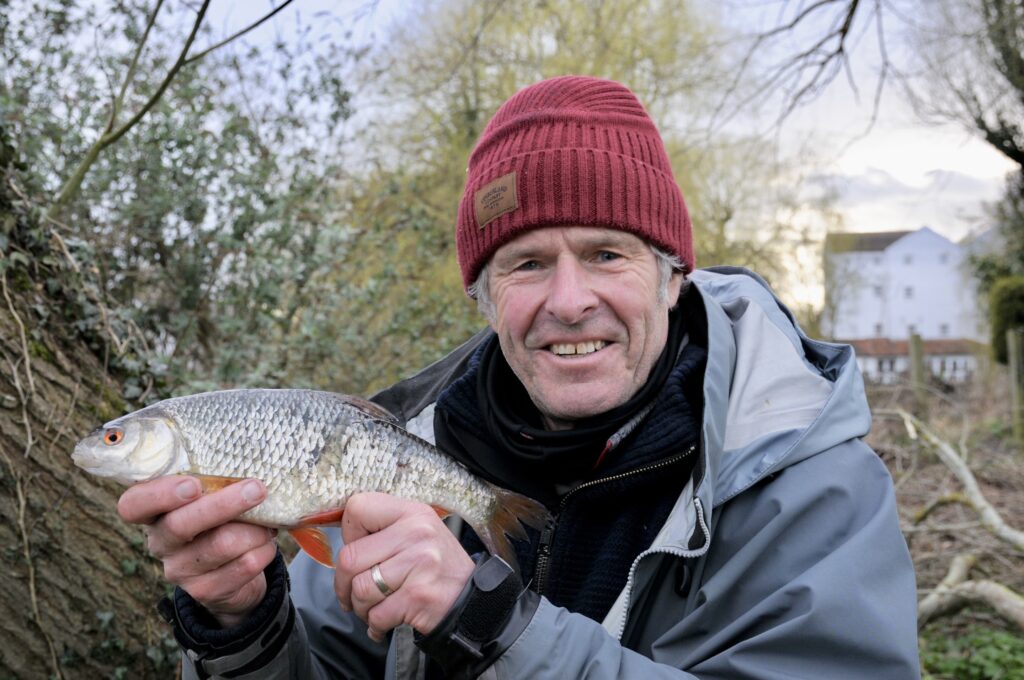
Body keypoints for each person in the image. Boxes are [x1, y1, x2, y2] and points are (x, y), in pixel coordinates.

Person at [117, 75, 921, 679]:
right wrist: (242, 627)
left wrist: (494, 626)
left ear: (675, 277)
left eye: (607, 253)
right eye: (527, 263)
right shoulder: (396, 453)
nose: (569, 302)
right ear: (485, 296)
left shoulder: (818, 490)